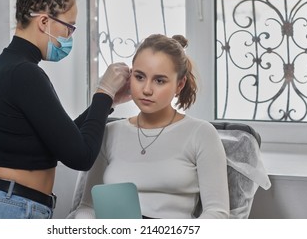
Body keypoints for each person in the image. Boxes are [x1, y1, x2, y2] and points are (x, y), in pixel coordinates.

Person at [0, 0, 130, 219]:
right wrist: (103, 91)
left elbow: (62, 139)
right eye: (69, 27)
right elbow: (80, 156)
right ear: (45, 22)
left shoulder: (8, 67)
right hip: (6, 211)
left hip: (1, 205)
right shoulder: (25, 74)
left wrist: (108, 100)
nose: (69, 37)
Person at [71, 34, 230, 219]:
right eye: (139, 77)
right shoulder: (109, 132)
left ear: (180, 84)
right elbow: (87, 206)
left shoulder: (201, 134)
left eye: (159, 80)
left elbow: (217, 213)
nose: (146, 89)